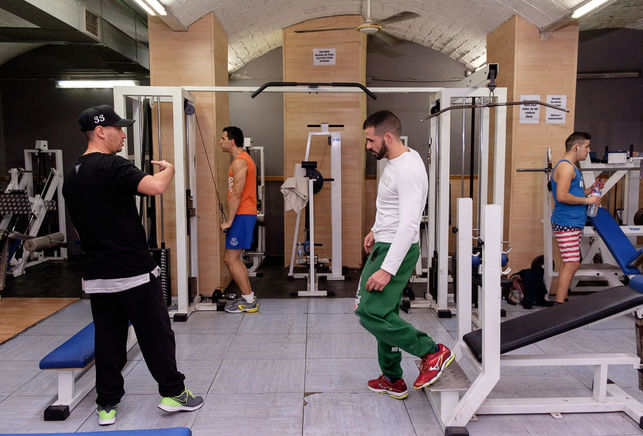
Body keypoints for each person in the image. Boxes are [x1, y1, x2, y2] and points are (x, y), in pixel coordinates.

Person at [63, 105, 203, 426]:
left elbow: (79, 231)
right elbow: (155, 187)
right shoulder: (113, 165)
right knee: (155, 334)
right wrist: (170, 169)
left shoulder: (73, 173)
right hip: (133, 271)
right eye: (119, 129)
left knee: (109, 338)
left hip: (97, 276)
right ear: (101, 131)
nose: (124, 134)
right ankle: (173, 393)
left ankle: (107, 406)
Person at [354, 110, 454, 400]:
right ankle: (392, 378)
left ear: (387, 137)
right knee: (385, 313)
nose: (368, 146)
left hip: (397, 249)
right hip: (384, 241)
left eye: (371, 140)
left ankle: (432, 351)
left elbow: (410, 223)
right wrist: (374, 229)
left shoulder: (409, 170)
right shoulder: (391, 162)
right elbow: (389, 207)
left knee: (368, 311)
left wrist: (387, 268)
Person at [550, 131, 602, 304]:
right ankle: (559, 304)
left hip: (573, 222)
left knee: (568, 263)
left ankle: (561, 300)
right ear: (575, 147)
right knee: (572, 263)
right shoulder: (566, 167)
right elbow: (562, 196)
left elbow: (574, 193)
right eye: (586, 147)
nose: (588, 151)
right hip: (567, 222)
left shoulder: (572, 167)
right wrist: (588, 199)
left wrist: (590, 190)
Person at [219, 126, 259, 313]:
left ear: (232, 141)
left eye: (223, 138)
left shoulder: (240, 162)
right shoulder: (240, 161)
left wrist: (229, 221)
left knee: (230, 259)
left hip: (242, 214)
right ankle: (248, 297)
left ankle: (249, 301)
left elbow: (236, 194)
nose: (220, 141)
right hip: (242, 214)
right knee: (233, 259)